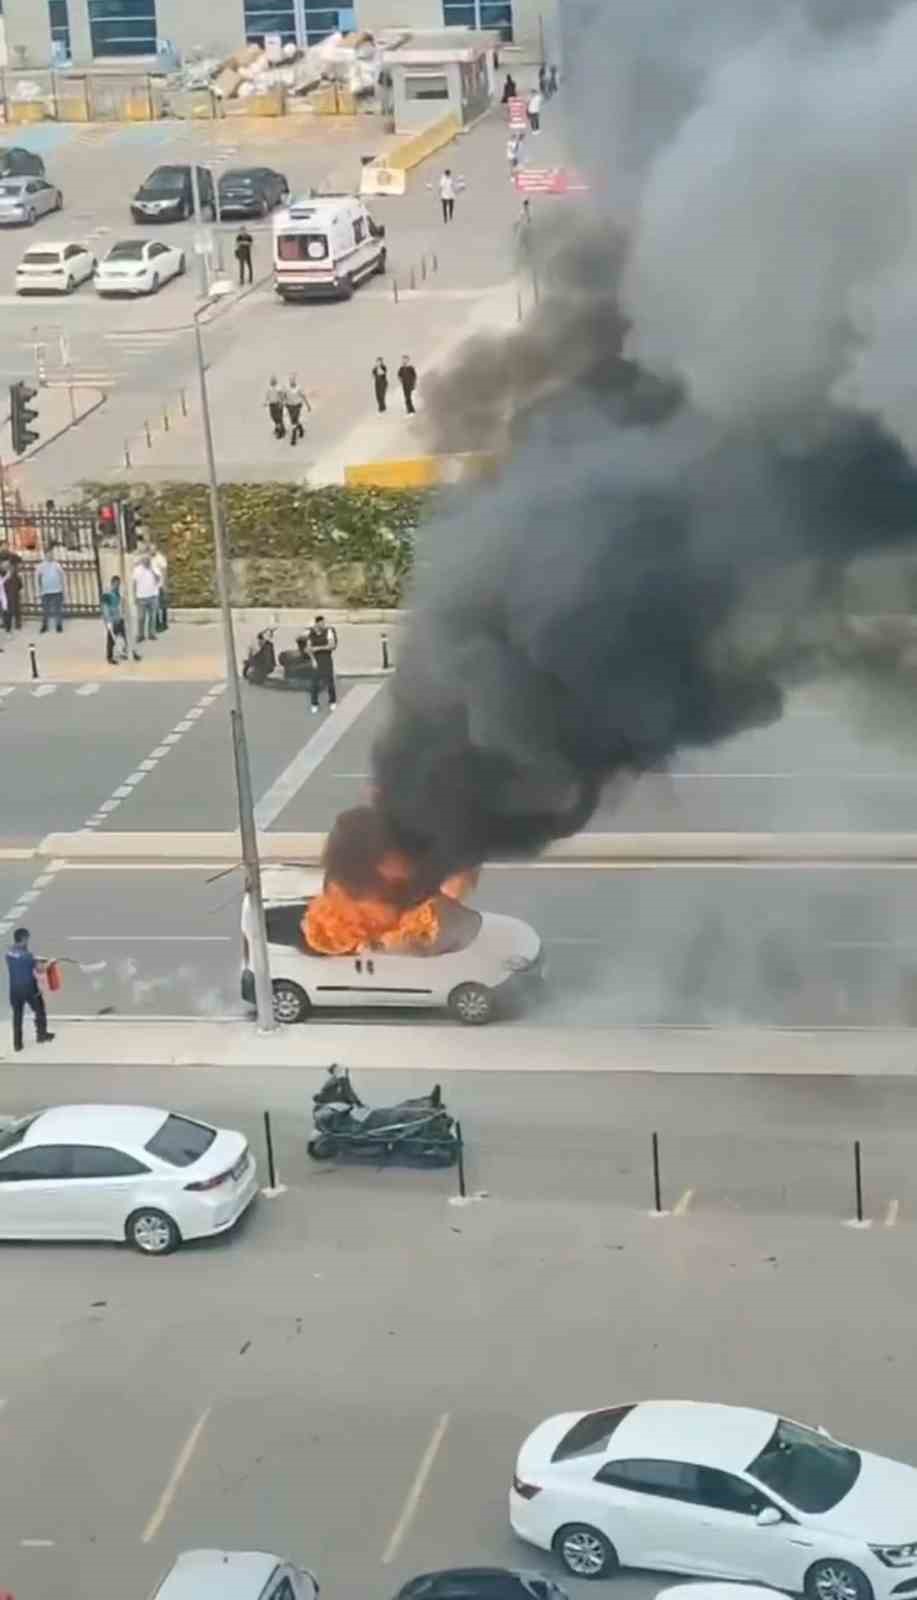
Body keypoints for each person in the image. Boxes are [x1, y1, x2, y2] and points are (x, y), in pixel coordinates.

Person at [6, 927, 54, 1053]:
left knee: (17, 1015)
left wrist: (34, 959)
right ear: (24, 938)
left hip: (14, 990)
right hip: (29, 988)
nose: (28, 941)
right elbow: (40, 969)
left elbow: (22, 959)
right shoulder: (27, 956)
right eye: (27, 938)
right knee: (40, 1009)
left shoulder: (9, 953)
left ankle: (17, 1044)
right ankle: (41, 1035)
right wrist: (50, 963)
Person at [306, 614, 337, 714]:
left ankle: (332, 701)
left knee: (329, 681)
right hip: (316, 659)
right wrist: (313, 660)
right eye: (321, 623)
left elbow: (332, 646)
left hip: (326, 658)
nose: (323, 624)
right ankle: (314, 704)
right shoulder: (311, 634)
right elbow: (308, 649)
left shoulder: (329, 631)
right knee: (314, 683)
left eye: (324, 622)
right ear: (317, 624)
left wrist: (318, 648)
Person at [36, 546, 65, 633]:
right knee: (45, 610)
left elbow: (62, 576)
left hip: (57, 590)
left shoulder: (57, 565)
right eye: (48, 554)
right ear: (45, 555)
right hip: (45, 591)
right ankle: (45, 625)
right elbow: (37, 578)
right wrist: (39, 590)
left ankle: (58, 625)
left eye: (51, 554)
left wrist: (63, 588)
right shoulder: (41, 566)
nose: (50, 556)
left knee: (58, 609)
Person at [101, 574, 128, 664]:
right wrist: (108, 622)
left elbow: (120, 605)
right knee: (111, 640)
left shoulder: (117, 593)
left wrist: (122, 616)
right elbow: (105, 609)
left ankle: (122, 652)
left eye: (119, 584)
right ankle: (110, 657)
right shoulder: (106, 594)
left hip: (119, 619)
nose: (117, 586)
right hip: (112, 620)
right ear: (112, 583)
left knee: (124, 637)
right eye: (116, 584)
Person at [133, 551, 159, 643]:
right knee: (141, 617)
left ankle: (151, 634)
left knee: (152, 617)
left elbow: (158, 579)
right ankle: (140, 635)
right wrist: (134, 596)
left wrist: (152, 569)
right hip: (141, 597)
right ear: (142, 560)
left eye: (148, 560)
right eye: (144, 559)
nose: (146, 561)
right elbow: (134, 583)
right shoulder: (137, 569)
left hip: (153, 596)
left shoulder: (154, 568)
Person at [1, 550, 21, 631]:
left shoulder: (12, 566)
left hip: (12, 587)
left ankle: (17, 622)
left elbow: (19, 559)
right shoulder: (4, 567)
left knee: (14, 604)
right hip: (4, 588)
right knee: (5, 606)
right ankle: (6, 622)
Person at [285, 375, 306, 445]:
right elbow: (284, 397)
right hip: (290, 407)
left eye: (293, 381)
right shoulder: (287, 388)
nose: (291, 382)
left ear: (295, 381)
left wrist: (308, 405)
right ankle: (301, 429)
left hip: (297, 406)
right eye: (290, 381)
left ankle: (293, 438)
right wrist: (284, 403)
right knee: (294, 420)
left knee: (294, 421)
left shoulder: (298, 388)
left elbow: (303, 396)